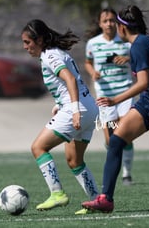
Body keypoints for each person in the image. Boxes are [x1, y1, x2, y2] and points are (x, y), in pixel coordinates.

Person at [81, 5, 149, 214]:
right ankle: (106, 199)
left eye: (117, 24)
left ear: (123, 28)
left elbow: (142, 82)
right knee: (116, 141)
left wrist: (115, 100)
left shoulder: (139, 46)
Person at [21, 19, 99, 215]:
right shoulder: (56, 52)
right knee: (74, 160)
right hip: (90, 107)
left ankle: (57, 194)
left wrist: (73, 110)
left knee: (38, 147)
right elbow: (71, 83)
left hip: (78, 108)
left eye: (27, 42)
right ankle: (97, 200)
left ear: (39, 39)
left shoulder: (49, 56)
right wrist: (61, 104)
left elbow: (70, 79)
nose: (25, 47)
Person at [85, 7, 135, 185]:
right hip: (104, 96)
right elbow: (88, 62)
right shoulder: (92, 43)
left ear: (118, 23)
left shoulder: (126, 43)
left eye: (112, 20)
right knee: (110, 139)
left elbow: (139, 57)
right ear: (100, 24)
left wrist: (128, 59)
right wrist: (92, 72)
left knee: (125, 134)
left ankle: (126, 173)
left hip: (124, 93)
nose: (109, 24)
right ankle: (115, 165)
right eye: (105, 21)